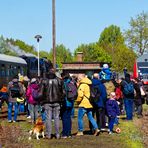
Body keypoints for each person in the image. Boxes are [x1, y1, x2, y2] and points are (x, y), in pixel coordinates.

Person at [41, 69, 64, 139]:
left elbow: (41, 93)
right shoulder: (59, 80)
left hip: (47, 102)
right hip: (57, 102)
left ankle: (48, 134)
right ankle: (57, 134)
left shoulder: (44, 81)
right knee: (57, 118)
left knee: (48, 118)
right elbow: (63, 92)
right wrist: (61, 99)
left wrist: (41, 101)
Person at [60, 73, 76, 138]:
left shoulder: (63, 84)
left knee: (64, 118)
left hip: (65, 103)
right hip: (71, 103)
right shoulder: (72, 83)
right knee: (68, 118)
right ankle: (69, 133)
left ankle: (65, 133)